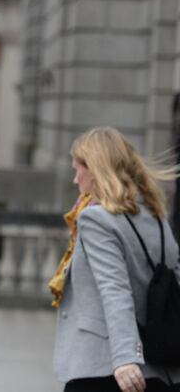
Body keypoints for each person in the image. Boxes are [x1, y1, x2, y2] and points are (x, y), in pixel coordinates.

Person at [51, 127, 180, 392]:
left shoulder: (96, 219)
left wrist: (125, 357)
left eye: (78, 169)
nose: (76, 180)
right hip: (157, 368)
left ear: (96, 169)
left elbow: (114, 289)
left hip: (105, 368)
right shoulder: (156, 217)